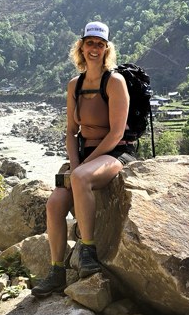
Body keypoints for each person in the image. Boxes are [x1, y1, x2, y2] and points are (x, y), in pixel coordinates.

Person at [31, 21, 135, 297]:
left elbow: (115, 134)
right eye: (90, 43)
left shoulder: (114, 82)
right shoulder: (74, 85)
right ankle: (56, 271)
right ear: (81, 46)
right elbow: (70, 131)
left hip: (114, 152)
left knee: (79, 178)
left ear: (106, 49)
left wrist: (83, 168)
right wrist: (76, 163)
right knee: (54, 203)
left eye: (100, 45)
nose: (95, 49)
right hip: (85, 155)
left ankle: (87, 250)